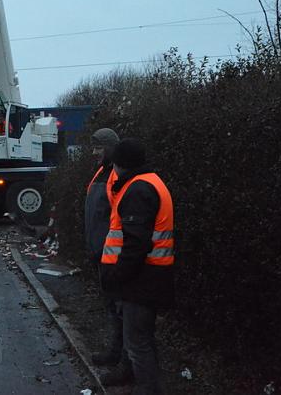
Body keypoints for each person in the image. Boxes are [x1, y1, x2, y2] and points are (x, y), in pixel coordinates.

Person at [100, 138, 175, 395]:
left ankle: (149, 390)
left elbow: (135, 244)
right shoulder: (150, 182)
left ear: (120, 164)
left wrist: (118, 276)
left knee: (137, 342)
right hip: (152, 274)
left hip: (142, 278)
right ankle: (144, 385)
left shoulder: (138, 189)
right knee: (142, 338)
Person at [84, 128, 126, 372]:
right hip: (102, 253)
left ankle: (122, 360)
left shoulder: (116, 175)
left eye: (99, 147)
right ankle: (116, 353)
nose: (94, 152)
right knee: (112, 307)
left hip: (112, 256)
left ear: (110, 148)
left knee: (120, 310)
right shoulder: (102, 172)